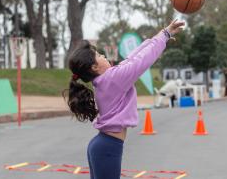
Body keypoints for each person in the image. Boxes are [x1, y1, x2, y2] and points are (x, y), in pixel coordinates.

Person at [63, 20, 184, 179]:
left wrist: (163, 34)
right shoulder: (113, 79)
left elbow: (133, 58)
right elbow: (142, 60)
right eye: (99, 55)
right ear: (94, 67)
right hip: (107, 147)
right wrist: (164, 35)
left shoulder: (107, 80)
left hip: (103, 145)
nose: (103, 55)